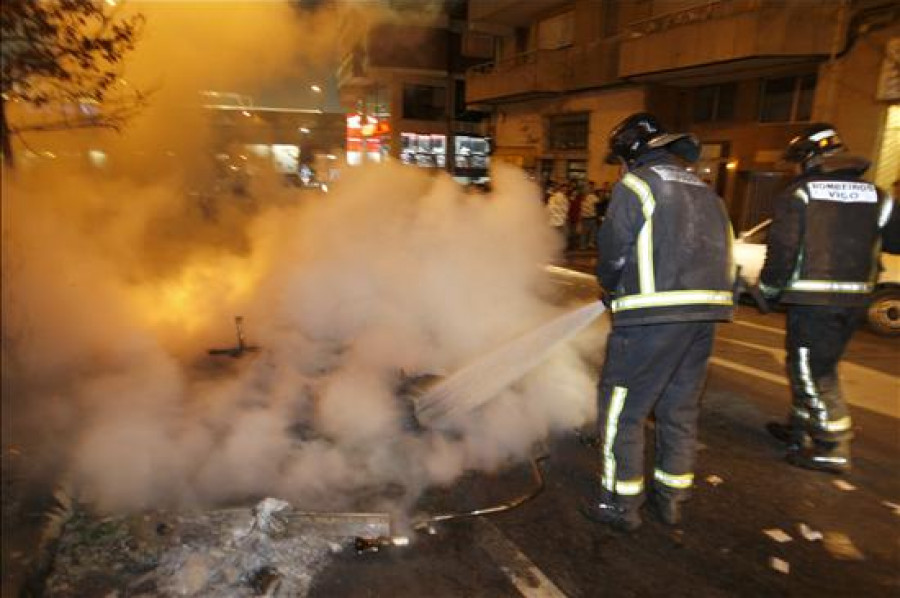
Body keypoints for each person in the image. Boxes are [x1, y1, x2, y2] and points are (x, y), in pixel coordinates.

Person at [581, 112, 735, 532]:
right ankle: (672, 499)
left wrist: (610, 290)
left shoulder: (636, 186)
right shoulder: (708, 192)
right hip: (704, 318)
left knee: (621, 411)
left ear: (631, 152)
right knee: (679, 410)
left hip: (651, 319)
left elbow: (613, 253)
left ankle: (620, 504)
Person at [760, 124, 900, 474]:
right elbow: (896, 242)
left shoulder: (801, 194)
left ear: (809, 159)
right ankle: (800, 429)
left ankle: (831, 447)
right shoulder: (878, 195)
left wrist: (768, 288)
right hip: (855, 300)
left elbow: (783, 249)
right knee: (815, 365)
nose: (794, 170)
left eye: (797, 162)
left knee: (810, 371)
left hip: (814, 301)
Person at [580, 181, 600, 249]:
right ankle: (588, 244)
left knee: (587, 232)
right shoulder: (592, 196)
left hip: (586, 217)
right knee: (591, 231)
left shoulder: (583, 197)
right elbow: (598, 201)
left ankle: (584, 245)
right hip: (590, 216)